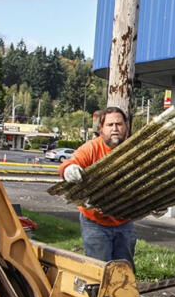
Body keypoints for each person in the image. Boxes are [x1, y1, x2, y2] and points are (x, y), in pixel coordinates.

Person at [58, 107, 137, 267]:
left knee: (124, 270)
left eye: (119, 124)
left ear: (126, 126)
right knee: (98, 271)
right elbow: (69, 163)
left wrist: (155, 204)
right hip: (95, 222)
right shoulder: (92, 148)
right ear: (101, 129)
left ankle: (121, 293)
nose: (115, 128)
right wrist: (68, 170)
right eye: (110, 125)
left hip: (124, 221)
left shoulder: (134, 149)